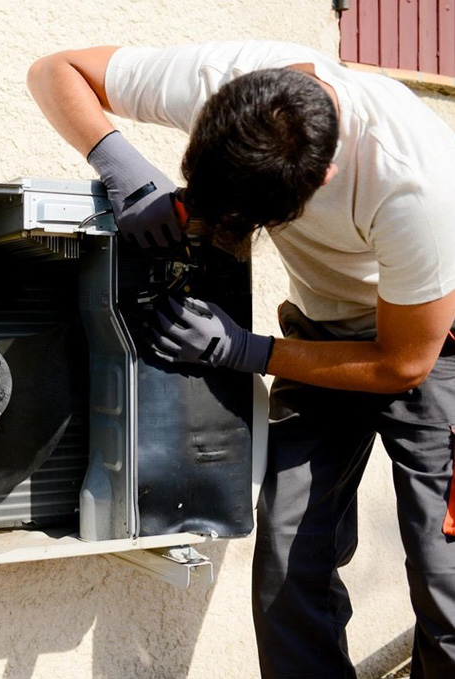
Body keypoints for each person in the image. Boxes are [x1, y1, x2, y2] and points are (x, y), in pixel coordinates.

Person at [27, 41, 455, 679]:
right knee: (288, 561)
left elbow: (403, 364)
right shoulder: (229, 83)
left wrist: (247, 351)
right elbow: (54, 71)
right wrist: (122, 164)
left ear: (323, 177)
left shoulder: (415, 186)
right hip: (322, 333)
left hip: (432, 346)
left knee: (443, 578)